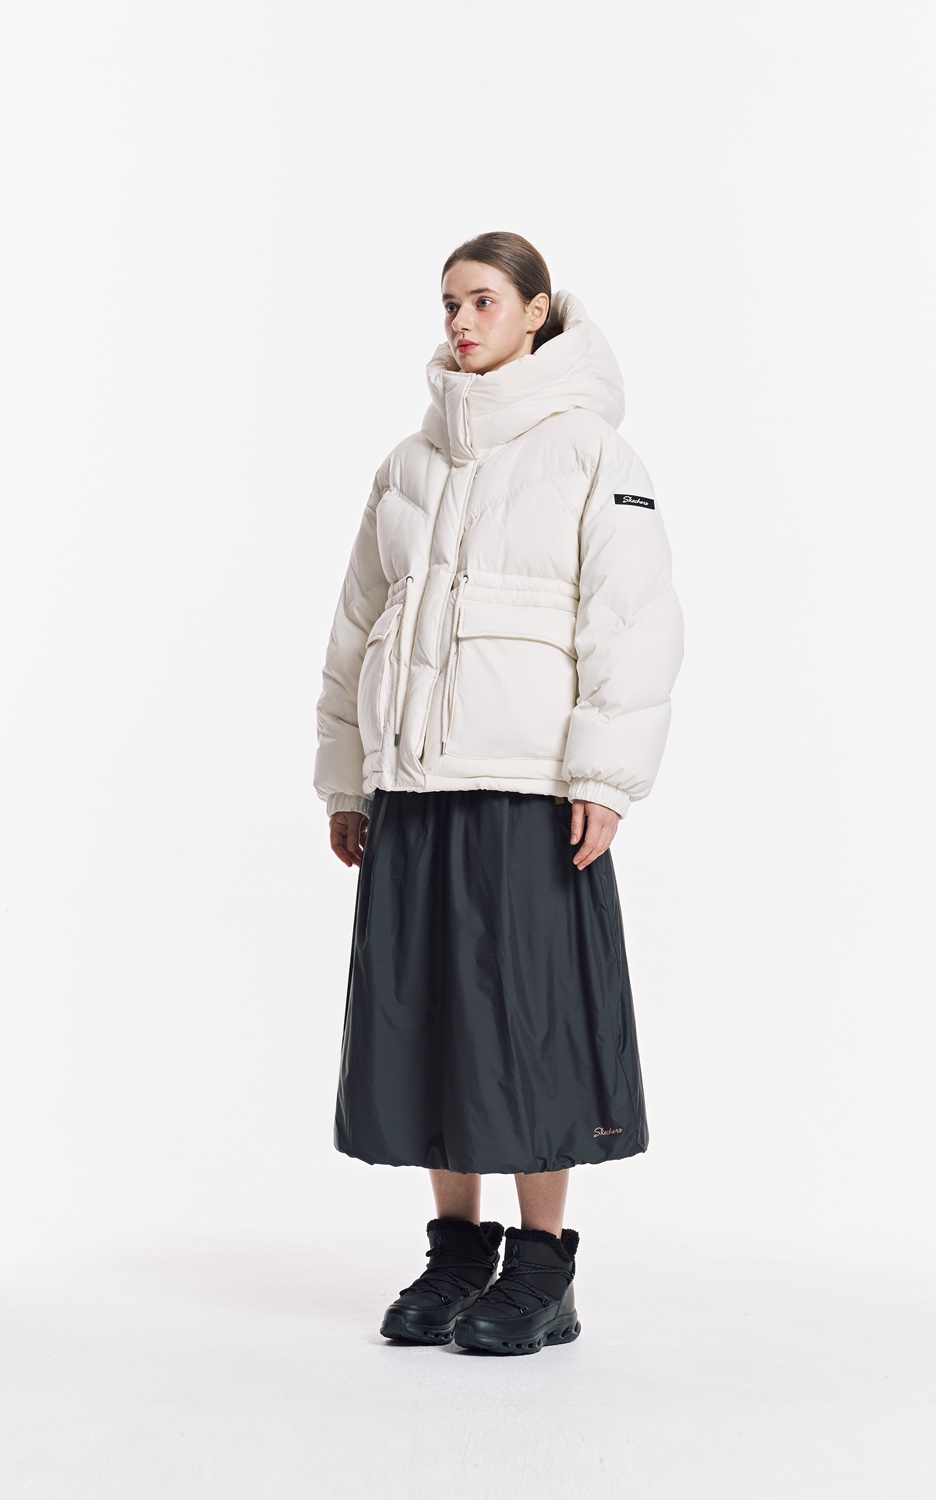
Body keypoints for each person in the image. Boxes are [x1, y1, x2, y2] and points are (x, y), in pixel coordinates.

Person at [313, 231, 684, 1355]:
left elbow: (632, 619)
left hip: (528, 784)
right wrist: (347, 776)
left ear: (535, 311)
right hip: (415, 779)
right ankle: (458, 1252)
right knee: (428, 1014)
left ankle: (542, 1267)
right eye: (448, 304)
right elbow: (356, 626)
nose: (461, 322)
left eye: (482, 301)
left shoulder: (590, 449)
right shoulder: (407, 463)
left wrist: (604, 774)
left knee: (530, 1021)